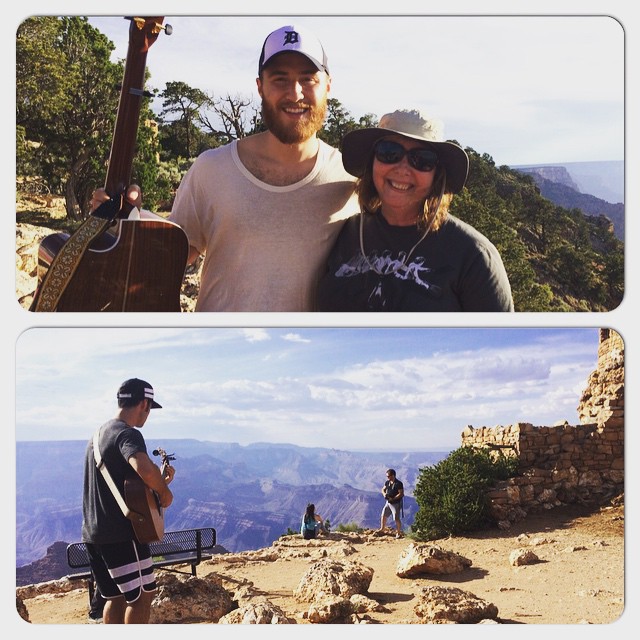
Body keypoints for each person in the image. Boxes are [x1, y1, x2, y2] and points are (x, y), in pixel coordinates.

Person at [166, 24, 359, 311]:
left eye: (308, 80)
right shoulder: (212, 169)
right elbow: (167, 258)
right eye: (280, 80)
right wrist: (126, 224)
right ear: (260, 87)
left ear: (328, 86)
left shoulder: (350, 180)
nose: (295, 94)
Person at [316, 108, 514, 311]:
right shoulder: (343, 233)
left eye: (422, 159)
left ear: (437, 176)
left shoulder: (472, 255)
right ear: (372, 161)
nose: (402, 169)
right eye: (389, 153)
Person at [81, 378, 175, 624]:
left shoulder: (98, 435)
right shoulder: (127, 433)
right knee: (142, 596)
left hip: (94, 533)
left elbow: (128, 486)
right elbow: (142, 467)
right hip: (122, 533)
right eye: (149, 409)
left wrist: (159, 482)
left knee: (115, 597)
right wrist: (164, 491)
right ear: (144, 403)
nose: (148, 415)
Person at [380, 469, 404, 538]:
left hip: (396, 503)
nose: (387, 477)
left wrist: (393, 498)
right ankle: (382, 529)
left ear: (393, 475)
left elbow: (401, 493)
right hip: (388, 502)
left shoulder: (398, 483)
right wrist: (384, 494)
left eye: (388, 476)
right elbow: (383, 489)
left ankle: (398, 533)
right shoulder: (387, 482)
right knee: (383, 515)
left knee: (396, 518)